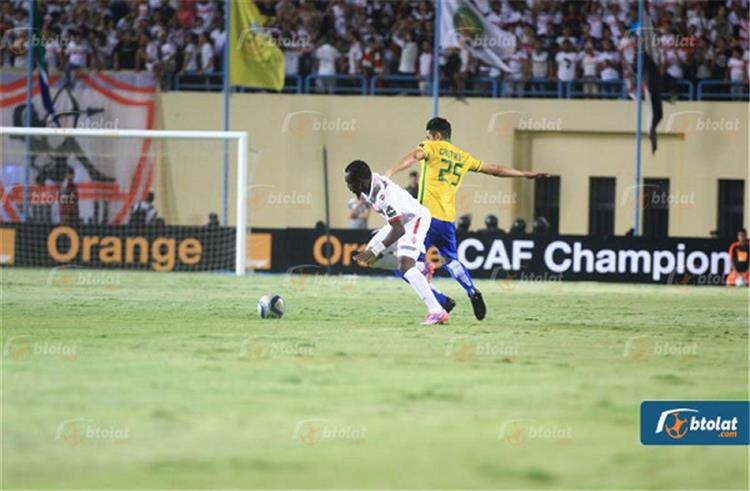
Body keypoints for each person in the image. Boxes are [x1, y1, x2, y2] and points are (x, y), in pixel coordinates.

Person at [387, 117, 548, 320]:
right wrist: (524, 174)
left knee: (403, 266)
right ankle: (471, 290)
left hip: (425, 218)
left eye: (428, 136)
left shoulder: (430, 146)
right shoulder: (463, 157)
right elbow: (495, 170)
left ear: (436, 135)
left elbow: (414, 156)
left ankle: (441, 301)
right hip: (447, 220)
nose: (426, 140)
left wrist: (390, 172)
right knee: (451, 260)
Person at [345, 160, 450, 325]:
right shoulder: (368, 184)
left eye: (350, 182)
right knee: (371, 259)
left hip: (414, 219)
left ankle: (437, 311)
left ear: (360, 181)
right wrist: (373, 251)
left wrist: (376, 249)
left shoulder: (383, 195)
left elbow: (399, 229)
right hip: (397, 221)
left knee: (405, 265)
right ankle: (422, 268)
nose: (348, 187)